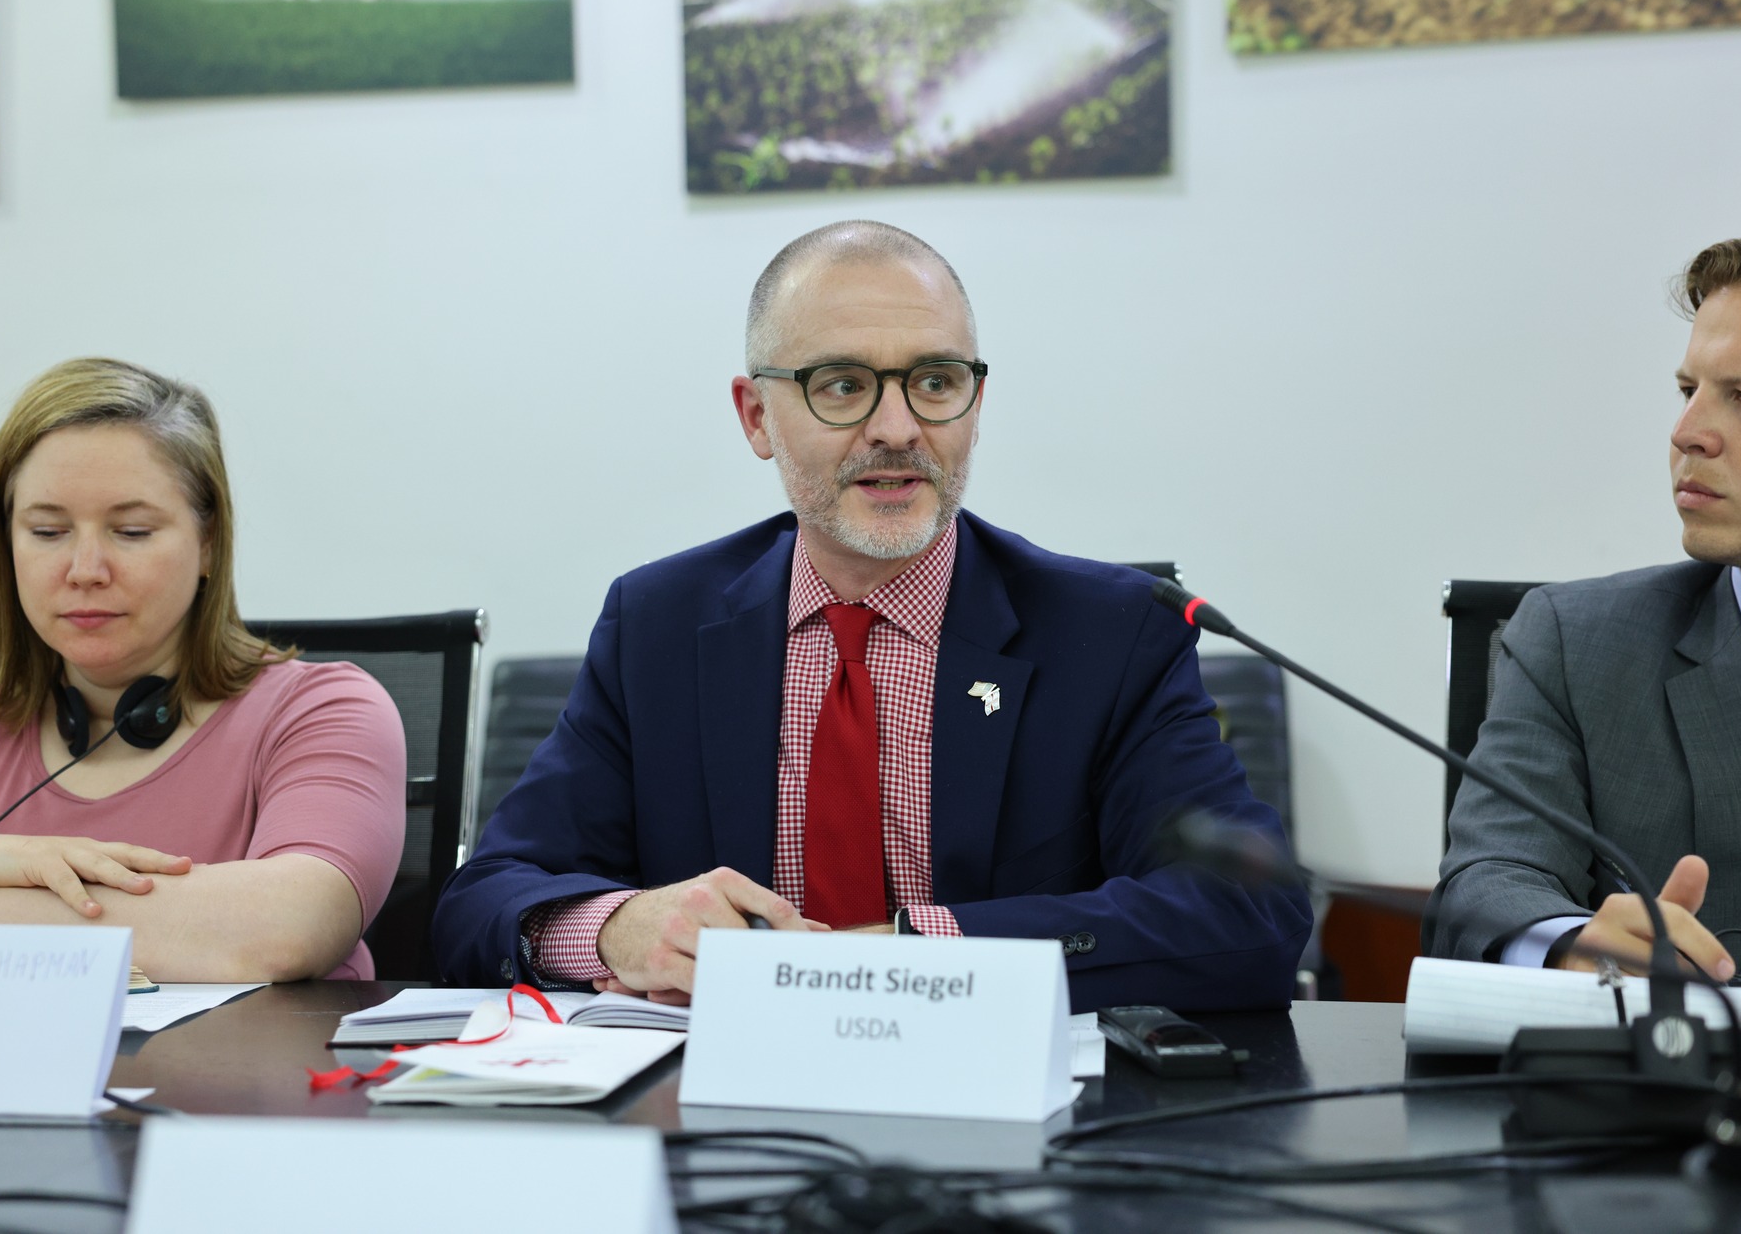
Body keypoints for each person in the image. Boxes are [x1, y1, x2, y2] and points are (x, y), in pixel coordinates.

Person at [434, 221, 1311, 1013]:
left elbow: (1251, 912)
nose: (898, 428)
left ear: (975, 405)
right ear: (756, 417)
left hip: (1008, 1108)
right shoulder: (657, 626)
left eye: (935, 382)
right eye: (843, 385)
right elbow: (482, 902)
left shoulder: (1110, 633)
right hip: (719, 1107)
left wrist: (911, 954)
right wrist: (618, 928)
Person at [0, 358, 405, 980]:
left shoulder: (322, 711)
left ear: (209, 542)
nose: (86, 570)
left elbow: (287, 928)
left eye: (132, 531)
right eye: (47, 532)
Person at [1430, 222, 1741, 988]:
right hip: (1682, 1062)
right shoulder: (1580, 643)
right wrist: (1573, 945)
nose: (1687, 433)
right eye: (1689, 391)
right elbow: (1486, 884)